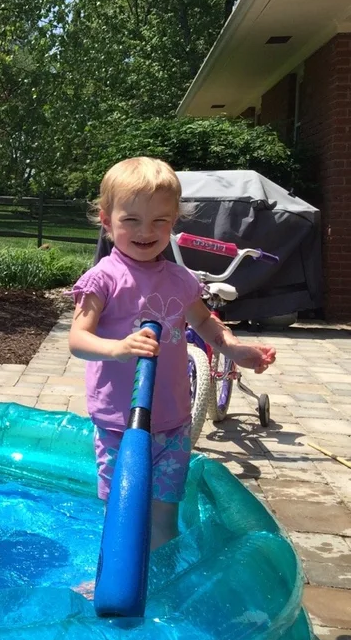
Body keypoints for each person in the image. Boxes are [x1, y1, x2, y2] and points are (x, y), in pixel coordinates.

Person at [68, 156, 276, 556]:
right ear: (107, 220)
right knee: (121, 510)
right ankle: (113, 576)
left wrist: (234, 348)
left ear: (175, 221)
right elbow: (78, 339)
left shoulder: (181, 280)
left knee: (165, 514)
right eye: (131, 220)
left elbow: (204, 322)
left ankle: (161, 579)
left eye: (160, 221)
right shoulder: (102, 279)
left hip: (173, 424)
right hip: (120, 425)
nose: (146, 231)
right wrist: (118, 348)